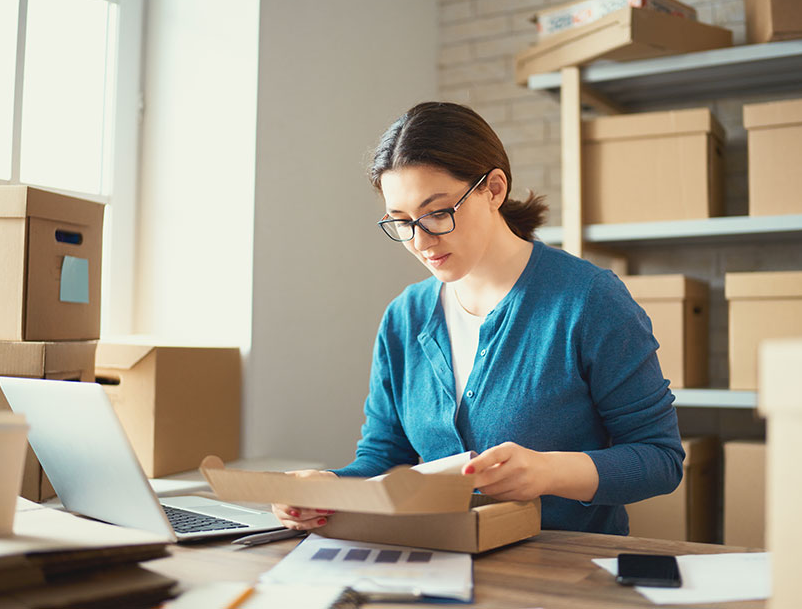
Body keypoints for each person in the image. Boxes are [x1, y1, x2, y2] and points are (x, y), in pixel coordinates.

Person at [271, 102, 684, 535]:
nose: (420, 240)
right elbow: (384, 458)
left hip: (561, 569)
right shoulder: (404, 318)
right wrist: (329, 487)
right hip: (437, 560)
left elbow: (659, 459)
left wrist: (549, 471)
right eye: (401, 221)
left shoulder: (587, 300)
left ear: (493, 189)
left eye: (437, 213)